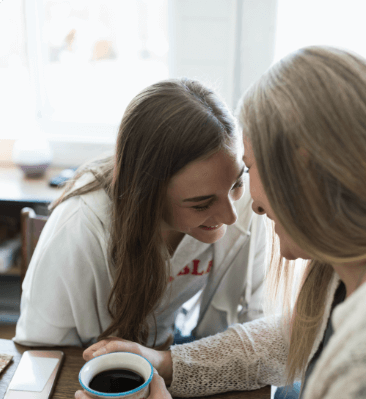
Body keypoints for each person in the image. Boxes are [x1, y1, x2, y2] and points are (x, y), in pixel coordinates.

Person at [74, 45, 366, 399]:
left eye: (250, 170)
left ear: (307, 175)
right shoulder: (360, 268)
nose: (251, 204)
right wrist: (167, 362)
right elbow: (295, 337)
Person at [14, 78, 267, 350]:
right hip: (90, 362)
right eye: (201, 204)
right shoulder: (78, 228)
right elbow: (40, 353)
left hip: (172, 349)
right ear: (147, 195)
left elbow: (259, 320)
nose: (231, 217)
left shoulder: (243, 201)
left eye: (237, 184)